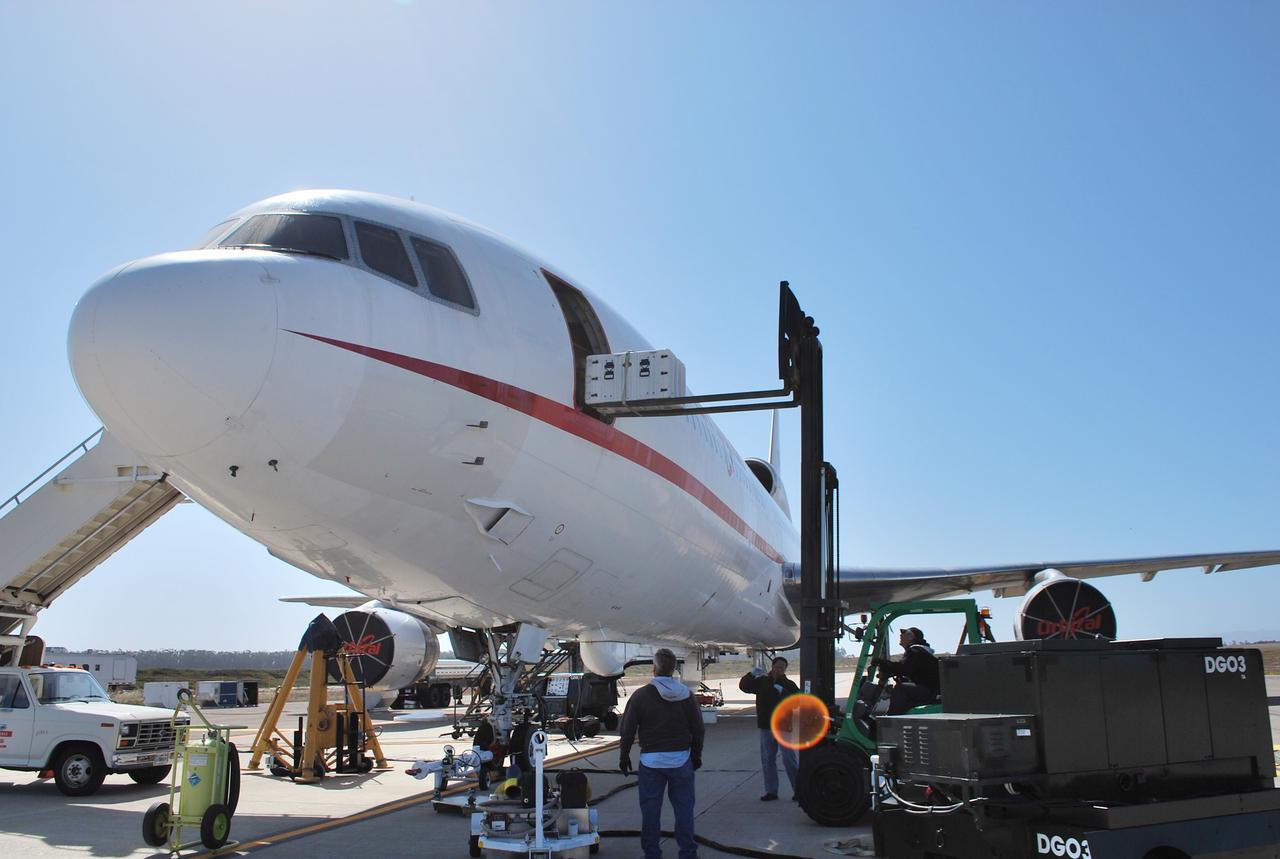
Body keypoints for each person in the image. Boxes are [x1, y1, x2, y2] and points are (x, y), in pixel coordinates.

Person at [619, 648, 705, 859]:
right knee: (684, 810)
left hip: (651, 762)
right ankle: (688, 853)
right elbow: (698, 729)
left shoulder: (641, 695)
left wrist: (624, 755)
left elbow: (628, 729)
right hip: (681, 760)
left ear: (654, 669)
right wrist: (696, 755)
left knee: (650, 811)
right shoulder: (687, 695)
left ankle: (652, 854)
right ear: (674, 669)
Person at [739, 656, 800, 801]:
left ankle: (799, 790)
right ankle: (771, 791)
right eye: (777, 667)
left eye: (782, 668)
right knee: (767, 759)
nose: (779, 670)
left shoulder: (789, 684)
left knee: (789, 760)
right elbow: (744, 687)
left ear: (785, 669)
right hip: (766, 726)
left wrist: (783, 693)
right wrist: (751, 674)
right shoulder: (761, 682)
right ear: (772, 667)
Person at [876, 627, 940, 715]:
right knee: (901, 688)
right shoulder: (920, 651)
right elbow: (908, 669)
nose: (900, 635)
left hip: (927, 690)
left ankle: (892, 720)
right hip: (929, 689)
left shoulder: (915, 651)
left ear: (911, 636)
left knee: (901, 689)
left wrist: (883, 664)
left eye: (904, 632)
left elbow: (904, 668)